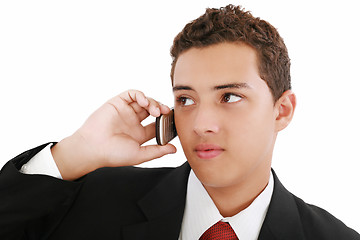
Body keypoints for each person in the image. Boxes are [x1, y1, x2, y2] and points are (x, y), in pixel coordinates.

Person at [0, 4, 359, 240]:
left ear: (282, 110)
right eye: (185, 99)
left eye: (229, 96)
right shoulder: (94, 200)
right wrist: (75, 152)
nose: (201, 123)